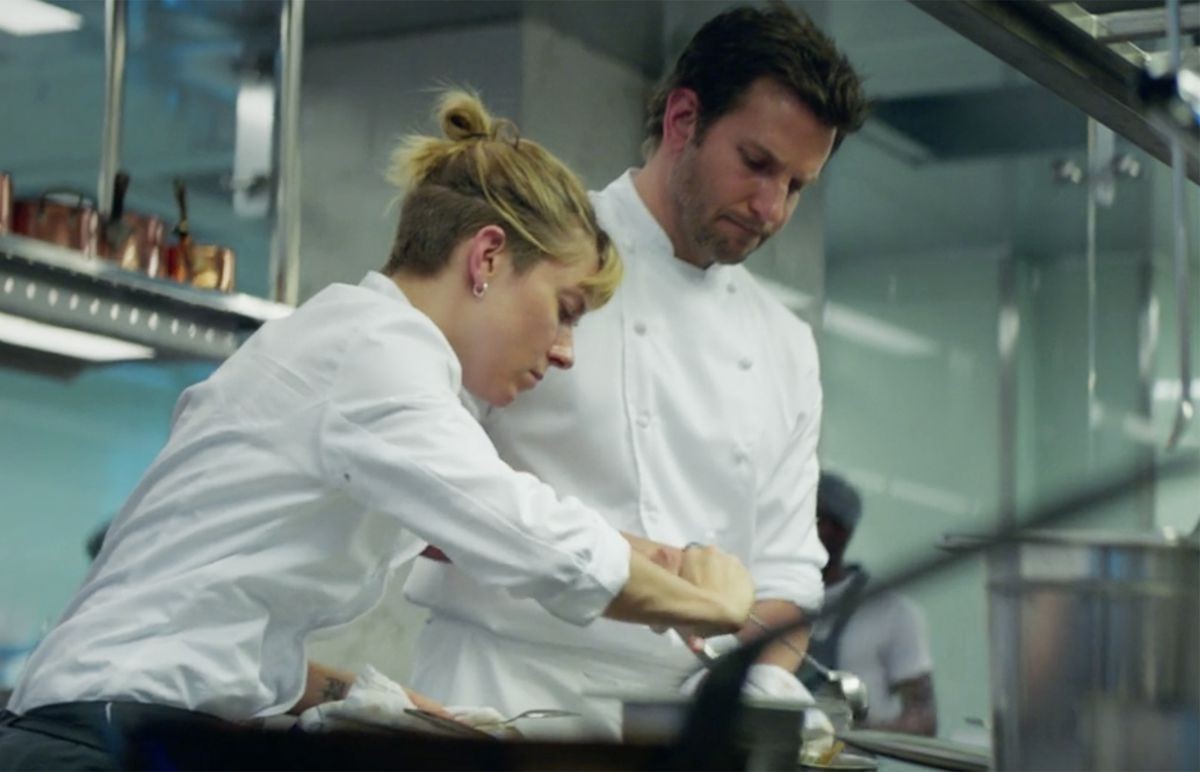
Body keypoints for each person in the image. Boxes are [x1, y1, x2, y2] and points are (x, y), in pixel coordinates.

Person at [0, 90, 757, 770]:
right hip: (92, 743)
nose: (565, 352)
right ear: (488, 256)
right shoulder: (374, 347)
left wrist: (383, 703)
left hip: (118, 729)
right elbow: (521, 531)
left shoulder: (366, 359)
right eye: (564, 310)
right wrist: (714, 610)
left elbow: (232, 619)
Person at [405, 4, 871, 737]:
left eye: (796, 186)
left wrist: (751, 692)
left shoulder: (785, 344)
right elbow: (423, 490)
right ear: (683, 119)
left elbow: (785, 577)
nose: (771, 208)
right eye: (756, 164)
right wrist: (622, 567)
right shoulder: (534, 255)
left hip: (683, 722)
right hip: (495, 692)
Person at [800, 473, 937, 736]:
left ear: (842, 531)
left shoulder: (890, 611)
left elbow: (923, 720)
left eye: (815, 520)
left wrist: (852, 736)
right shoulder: (767, 599)